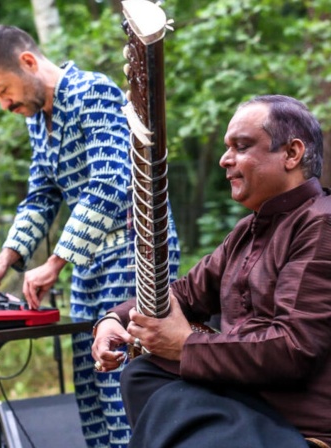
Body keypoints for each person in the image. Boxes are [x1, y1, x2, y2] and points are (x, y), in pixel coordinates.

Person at [0, 25, 181, 448]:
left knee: (123, 387)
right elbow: (42, 194)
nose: (3, 102)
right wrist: (7, 257)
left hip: (134, 253)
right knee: (91, 391)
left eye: (2, 89)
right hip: (86, 264)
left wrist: (54, 262)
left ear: (28, 62)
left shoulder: (93, 92)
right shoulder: (37, 120)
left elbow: (111, 181)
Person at [92, 94, 331, 448]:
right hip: (241, 406)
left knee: (163, 395)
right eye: (226, 147)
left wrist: (186, 345)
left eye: (242, 146)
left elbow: (293, 350)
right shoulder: (246, 232)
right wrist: (115, 319)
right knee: (143, 374)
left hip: (296, 428)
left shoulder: (321, 222)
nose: (225, 159)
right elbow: (185, 293)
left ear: (291, 154)